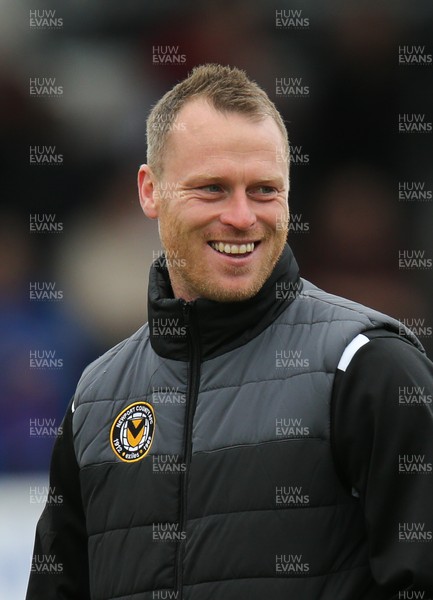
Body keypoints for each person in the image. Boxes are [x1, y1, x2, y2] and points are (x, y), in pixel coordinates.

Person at [26, 64, 433, 600]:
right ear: (150, 191)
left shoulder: (369, 367)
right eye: (212, 188)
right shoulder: (96, 399)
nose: (242, 217)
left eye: (264, 189)